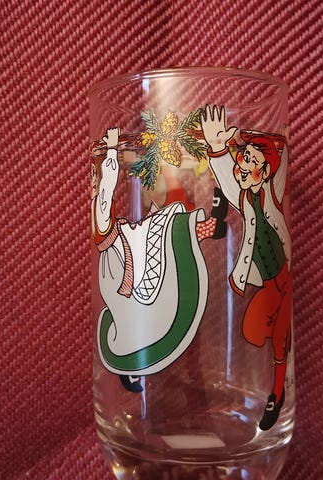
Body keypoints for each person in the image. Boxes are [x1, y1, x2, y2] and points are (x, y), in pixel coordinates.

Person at [91, 127, 228, 392]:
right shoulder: (103, 216)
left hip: (127, 249)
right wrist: (110, 154)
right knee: (161, 231)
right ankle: (209, 226)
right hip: (122, 267)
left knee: (164, 228)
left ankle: (209, 225)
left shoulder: (123, 220)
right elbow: (105, 194)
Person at [201, 105, 292, 431]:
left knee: (279, 340)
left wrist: (279, 147)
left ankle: (276, 394)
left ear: (264, 172)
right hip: (267, 284)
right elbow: (228, 182)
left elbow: (278, 164)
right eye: (243, 158)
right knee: (253, 332)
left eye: (251, 162)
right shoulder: (243, 198)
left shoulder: (273, 192)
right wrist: (217, 148)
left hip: (284, 280)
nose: (242, 165)